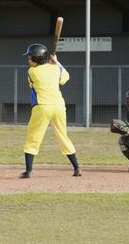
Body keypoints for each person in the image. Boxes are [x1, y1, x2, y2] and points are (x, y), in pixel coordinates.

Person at [20, 43, 82, 179]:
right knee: (63, 136)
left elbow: (33, 83)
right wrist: (56, 62)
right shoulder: (56, 69)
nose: (28, 60)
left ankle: (29, 171)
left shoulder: (31, 72)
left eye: (30, 58)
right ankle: (77, 167)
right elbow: (66, 77)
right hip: (59, 106)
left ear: (36, 59)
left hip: (42, 106)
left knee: (33, 136)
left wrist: (51, 64)